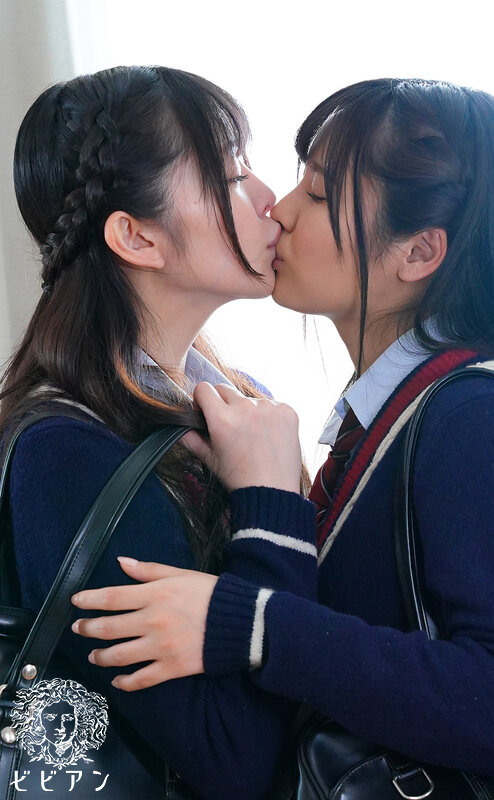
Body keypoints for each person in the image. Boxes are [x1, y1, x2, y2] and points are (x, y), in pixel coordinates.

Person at [72, 77, 494, 780]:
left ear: (419, 254)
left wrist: (252, 624)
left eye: (319, 195)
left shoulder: (476, 416)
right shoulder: (400, 413)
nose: (280, 208)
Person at [0, 65, 316, 800]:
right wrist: (270, 507)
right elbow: (231, 764)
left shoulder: (233, 400)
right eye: (231, 175)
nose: (269, 199)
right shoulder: (68, 454)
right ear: (138, 237)